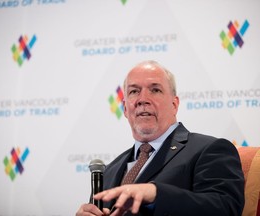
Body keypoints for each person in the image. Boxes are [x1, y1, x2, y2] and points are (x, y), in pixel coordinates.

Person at [76, 60, 245, 216]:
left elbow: (226, 207)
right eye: (134, 91)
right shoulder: (110, 170)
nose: (143, 100)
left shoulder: (210, 150)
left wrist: (156, 194)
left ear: (174, 104)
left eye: (155, 90)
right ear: (125, 109)